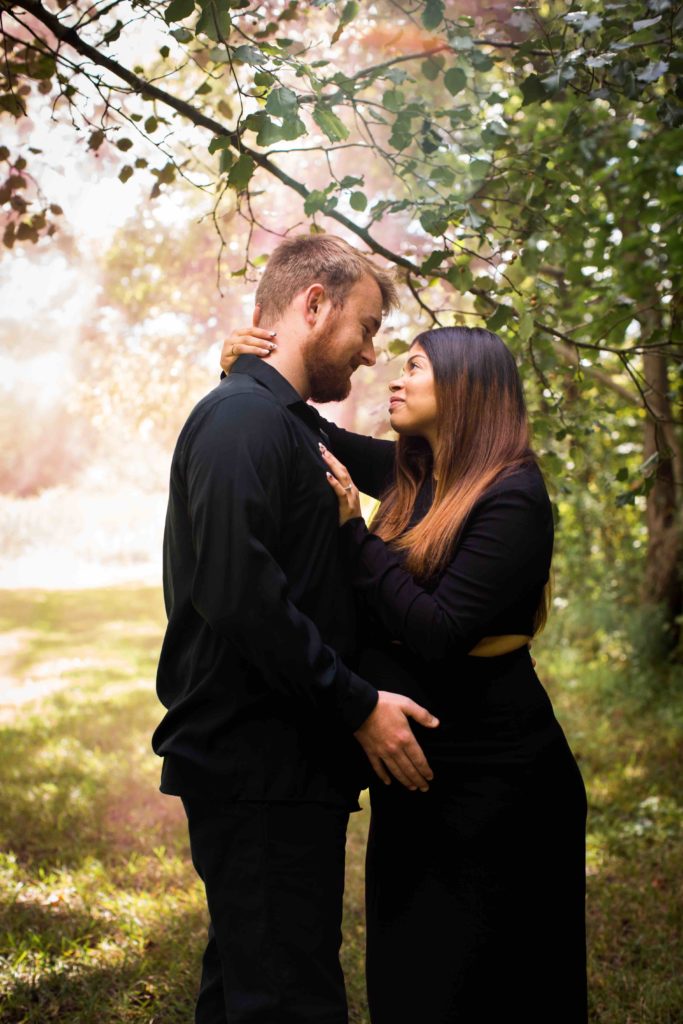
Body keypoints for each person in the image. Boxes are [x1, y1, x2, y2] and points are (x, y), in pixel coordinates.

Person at [221, 324, 588, 1023]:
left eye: (414, 367)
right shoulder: (409, 473)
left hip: (499, 775)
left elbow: (439, 633)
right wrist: (244, 366)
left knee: (497, 978)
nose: (395, 378)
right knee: (412, 965)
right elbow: (305, 427)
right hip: (415, 765)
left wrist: (353, 534)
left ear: (466, 387)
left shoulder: (512, 497)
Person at [152, 233, 445, 1024]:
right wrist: (356, 704)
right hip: (255, 762)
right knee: (288, 997)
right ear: (313, 306)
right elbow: (236, 592)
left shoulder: (290, 423)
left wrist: (475, 421)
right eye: (366, 325)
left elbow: (409, 474)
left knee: (255, 980)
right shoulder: (242, 422)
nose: (370, 351)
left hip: (284, 765)